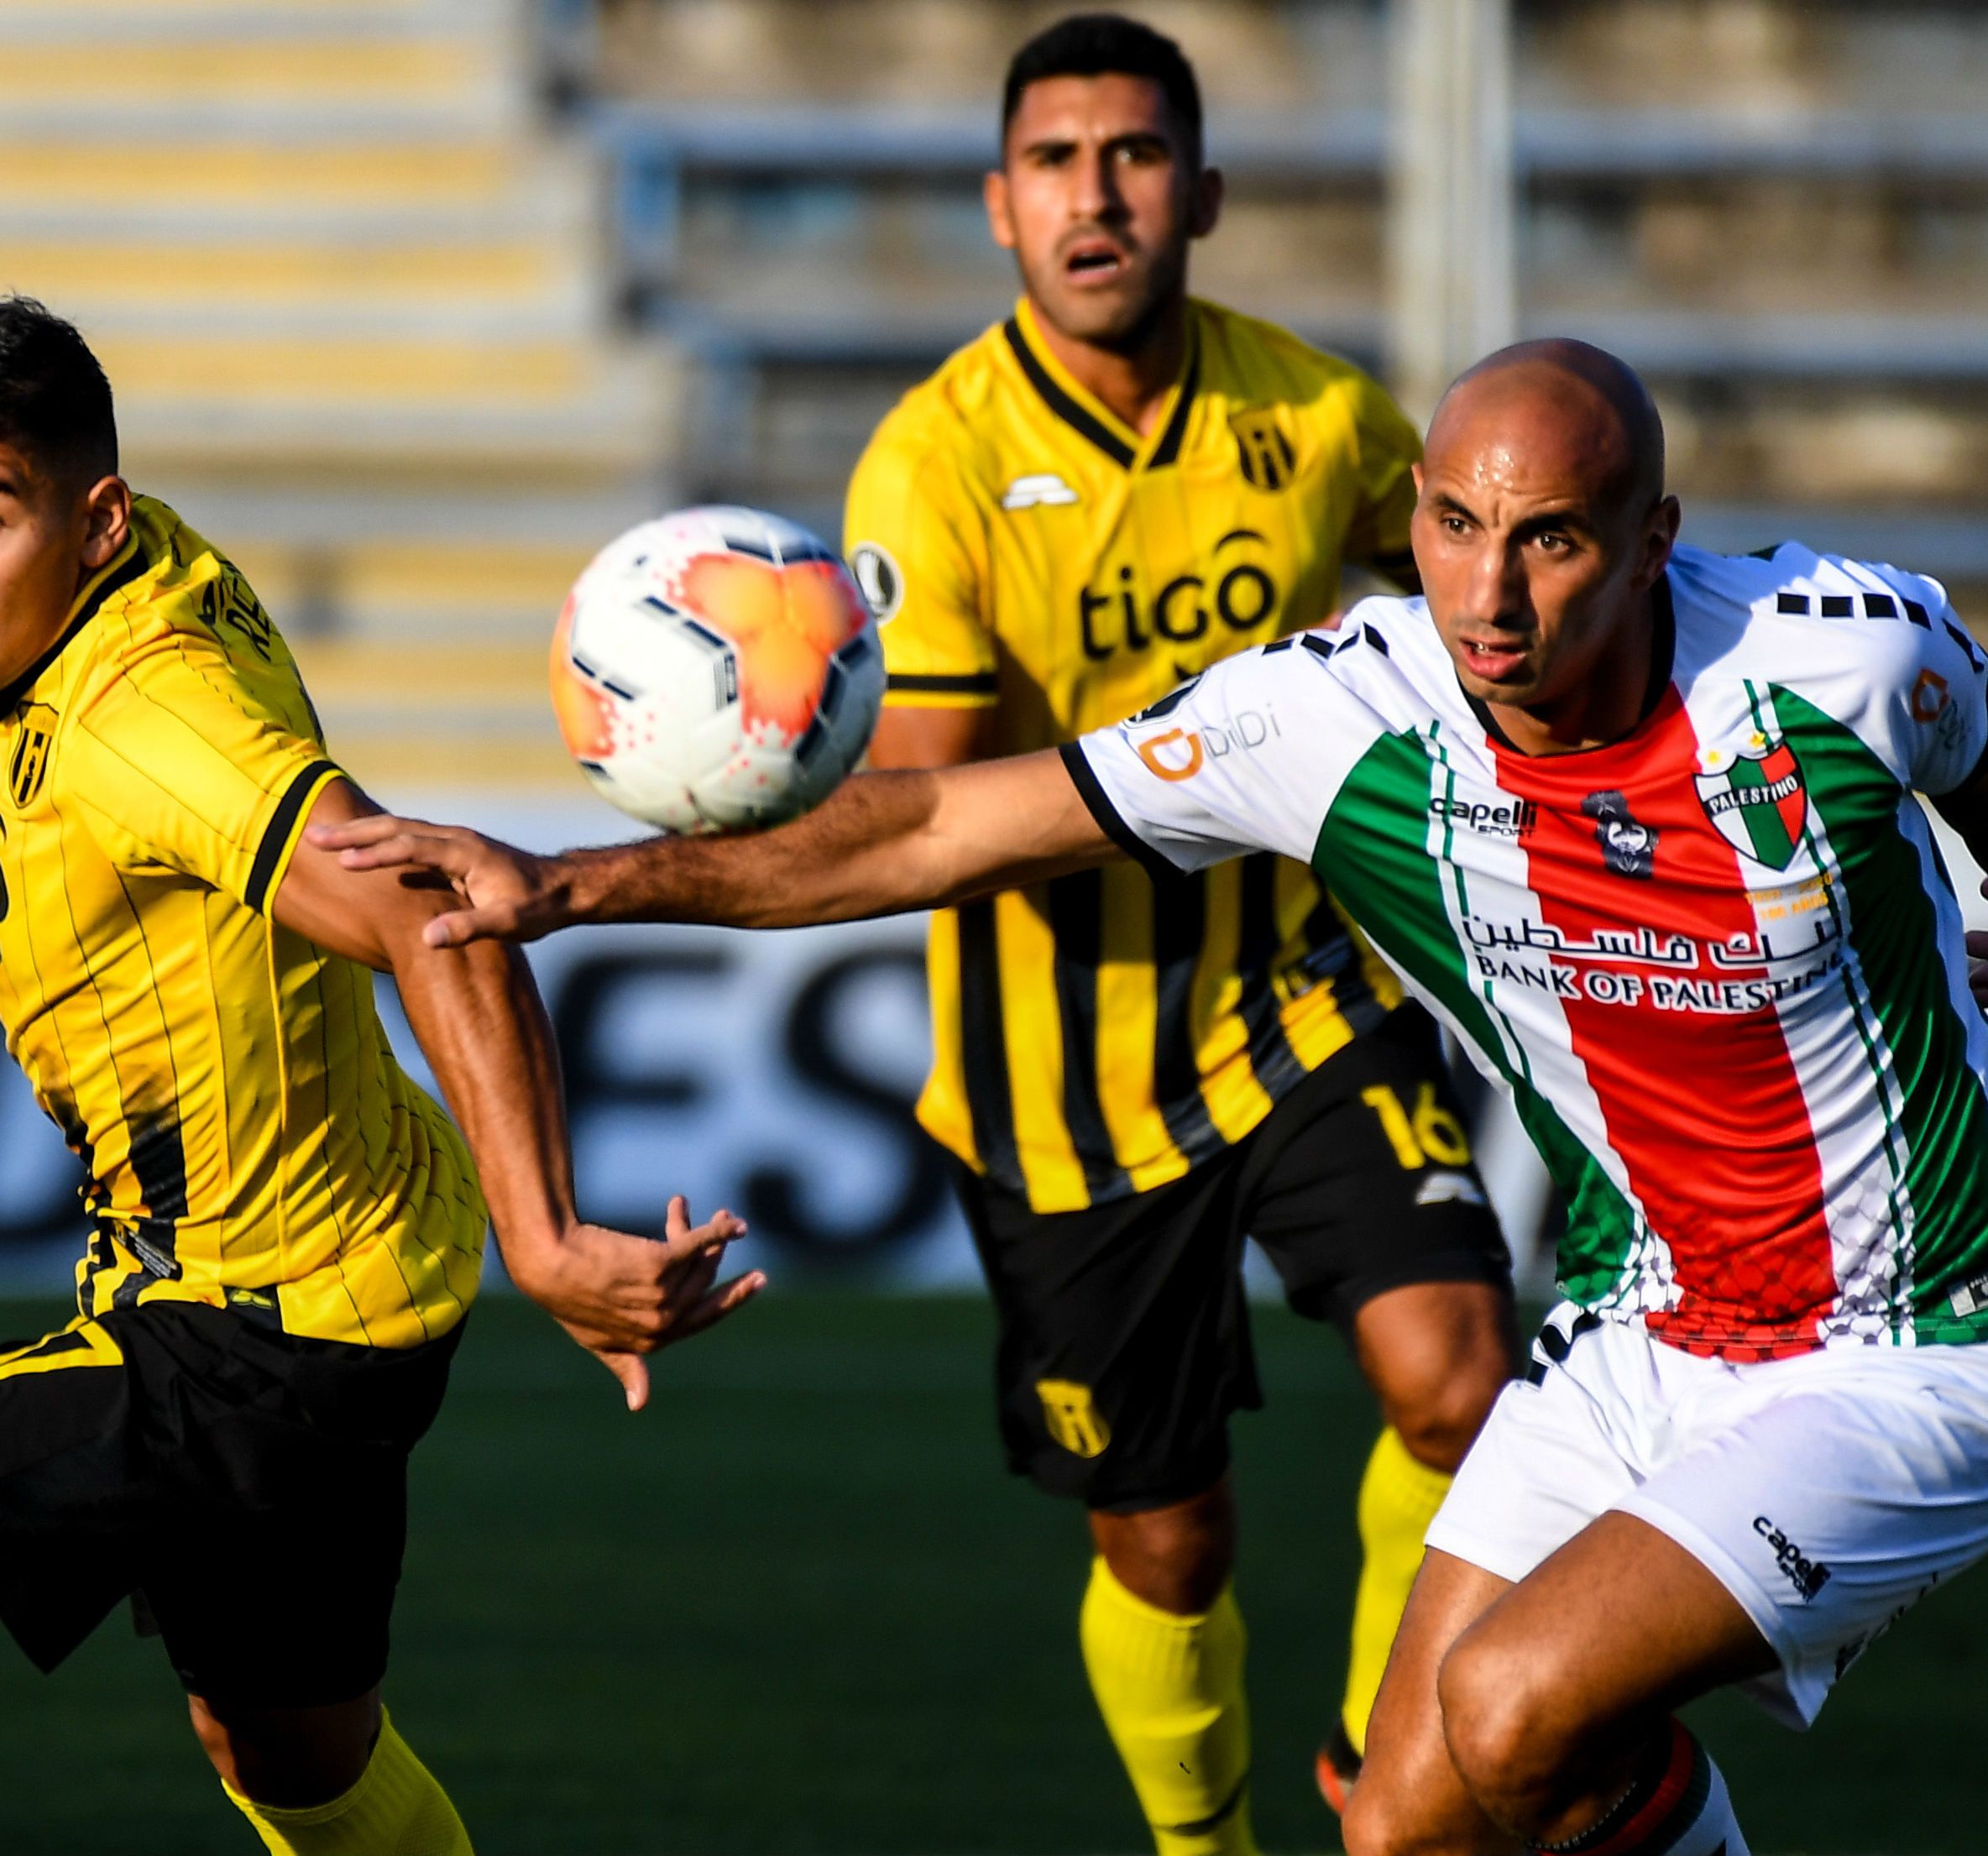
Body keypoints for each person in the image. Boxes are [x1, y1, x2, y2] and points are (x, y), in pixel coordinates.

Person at [311, 338, 1988, 1856]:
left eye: (1553, 542)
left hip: (1932, 1339)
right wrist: (570, 884)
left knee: (1515, 1711)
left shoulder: (1836, 656)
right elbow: (948, 819)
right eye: (1450, 526)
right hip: (1649, 1329)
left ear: (1655, 532)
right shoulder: (1340, 716)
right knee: (1407, 1821)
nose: (1489, 592)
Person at [0, 296, 760, 1856]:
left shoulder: (155, 717)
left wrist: (546, 1241)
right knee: (288, 1758)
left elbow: (433, 909)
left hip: (255, 1337)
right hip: (343, 1287)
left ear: (95, 521)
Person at [839, 13, 1512, 1843]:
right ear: (998, 206)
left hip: (1302, 1001)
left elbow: (1472, 585)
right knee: (1167, 1533)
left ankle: (1401, 1780)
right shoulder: (935, 465)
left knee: (1460, 1379)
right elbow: (922, 803)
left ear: (1200, 191)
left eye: (1132, 156)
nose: (1096, 195)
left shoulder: (1313, 418)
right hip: (1060, 1088)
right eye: (1055, 161)